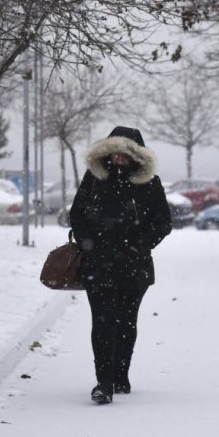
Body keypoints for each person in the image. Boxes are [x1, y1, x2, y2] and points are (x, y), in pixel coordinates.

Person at [69, 126, 173, 405]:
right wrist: (88, 241)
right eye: (113, 153)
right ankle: (103, 382)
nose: (118, 159)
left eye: (124, 154)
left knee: (126, 323)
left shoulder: (150, 183)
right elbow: (76, 214)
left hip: (133, 266)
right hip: (98, 265)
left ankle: (120, 375)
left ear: (136, 156)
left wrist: (139, 244)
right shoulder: (94, 179)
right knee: (102, 323)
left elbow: (163, 222)